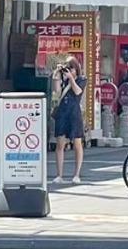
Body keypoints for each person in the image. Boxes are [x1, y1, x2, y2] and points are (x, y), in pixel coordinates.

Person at [52, 56, 86, 184]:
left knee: (77, 143)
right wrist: (56, 76)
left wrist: (71, 78)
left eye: (71, 67)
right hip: (62, 112)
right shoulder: (63, 79)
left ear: (76, 68)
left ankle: (76, 174)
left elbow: (78, 92)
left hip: (74, 113)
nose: (69, 70)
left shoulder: (82, 79)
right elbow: (57, 92)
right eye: (67, 67)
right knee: (60, 144)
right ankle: (59, 175)